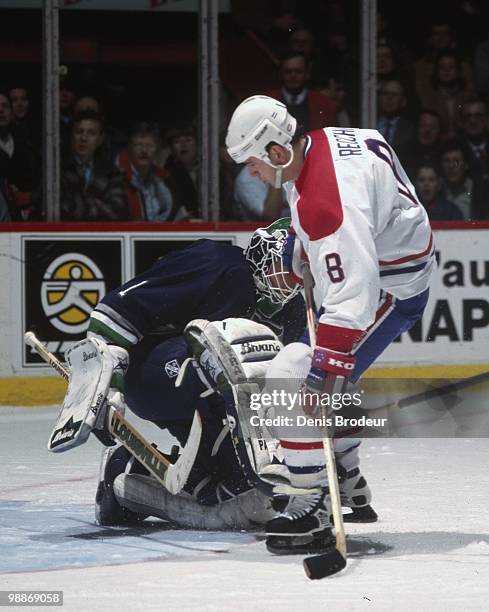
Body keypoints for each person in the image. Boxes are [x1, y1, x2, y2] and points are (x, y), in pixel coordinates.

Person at [225, 95, 434, 554]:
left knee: (293, 374)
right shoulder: (328, 139)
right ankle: (347, 479)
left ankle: (310, 502)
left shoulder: (326, 204)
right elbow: (366, 186)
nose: (252, 174)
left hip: (390, 286)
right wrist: (301, 243)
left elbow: (353, 298)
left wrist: (323, 371)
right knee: (321, 376)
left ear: (279, 152)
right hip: (393, 265)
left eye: (253, 164)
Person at [83, 222, 307, 525]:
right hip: (155, 375)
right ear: (262, 251)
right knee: (233, 338)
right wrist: (104, 385)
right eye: (285, 263)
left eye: (298, 270)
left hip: (215, 408)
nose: (291, 278)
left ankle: (127, 480)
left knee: (240, 496)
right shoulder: (219, 263)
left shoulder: (293, 311)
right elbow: (116, 310)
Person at [60, 110, 129, 221]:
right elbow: (61, 207)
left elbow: (118, 210)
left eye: (91, 133)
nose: (83, 138)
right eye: (79, 132)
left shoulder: (111, 171)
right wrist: (99, 204)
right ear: (71, 136)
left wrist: (79, 205)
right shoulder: (58, 169)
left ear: (100, 140)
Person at [116, 122, 189, 221]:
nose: (144, 150)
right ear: (130, 148)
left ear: (157, 151)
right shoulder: (117, 178)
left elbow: (180, 215)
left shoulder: (166, 179)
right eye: (138, 145)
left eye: (150, 145)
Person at [264, 52, 337, 132]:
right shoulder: (267, 101)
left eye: (298, 71)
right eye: (288, 71)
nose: (293, 76)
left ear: (307, 74)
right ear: (280, 74)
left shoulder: (324, 103)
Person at [376, 79, 414, 153]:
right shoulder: (367, 121)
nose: (389, 98)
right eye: (385, 93)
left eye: (395, 94)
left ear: (403, 101)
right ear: (379, 98)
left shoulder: (411, 129)